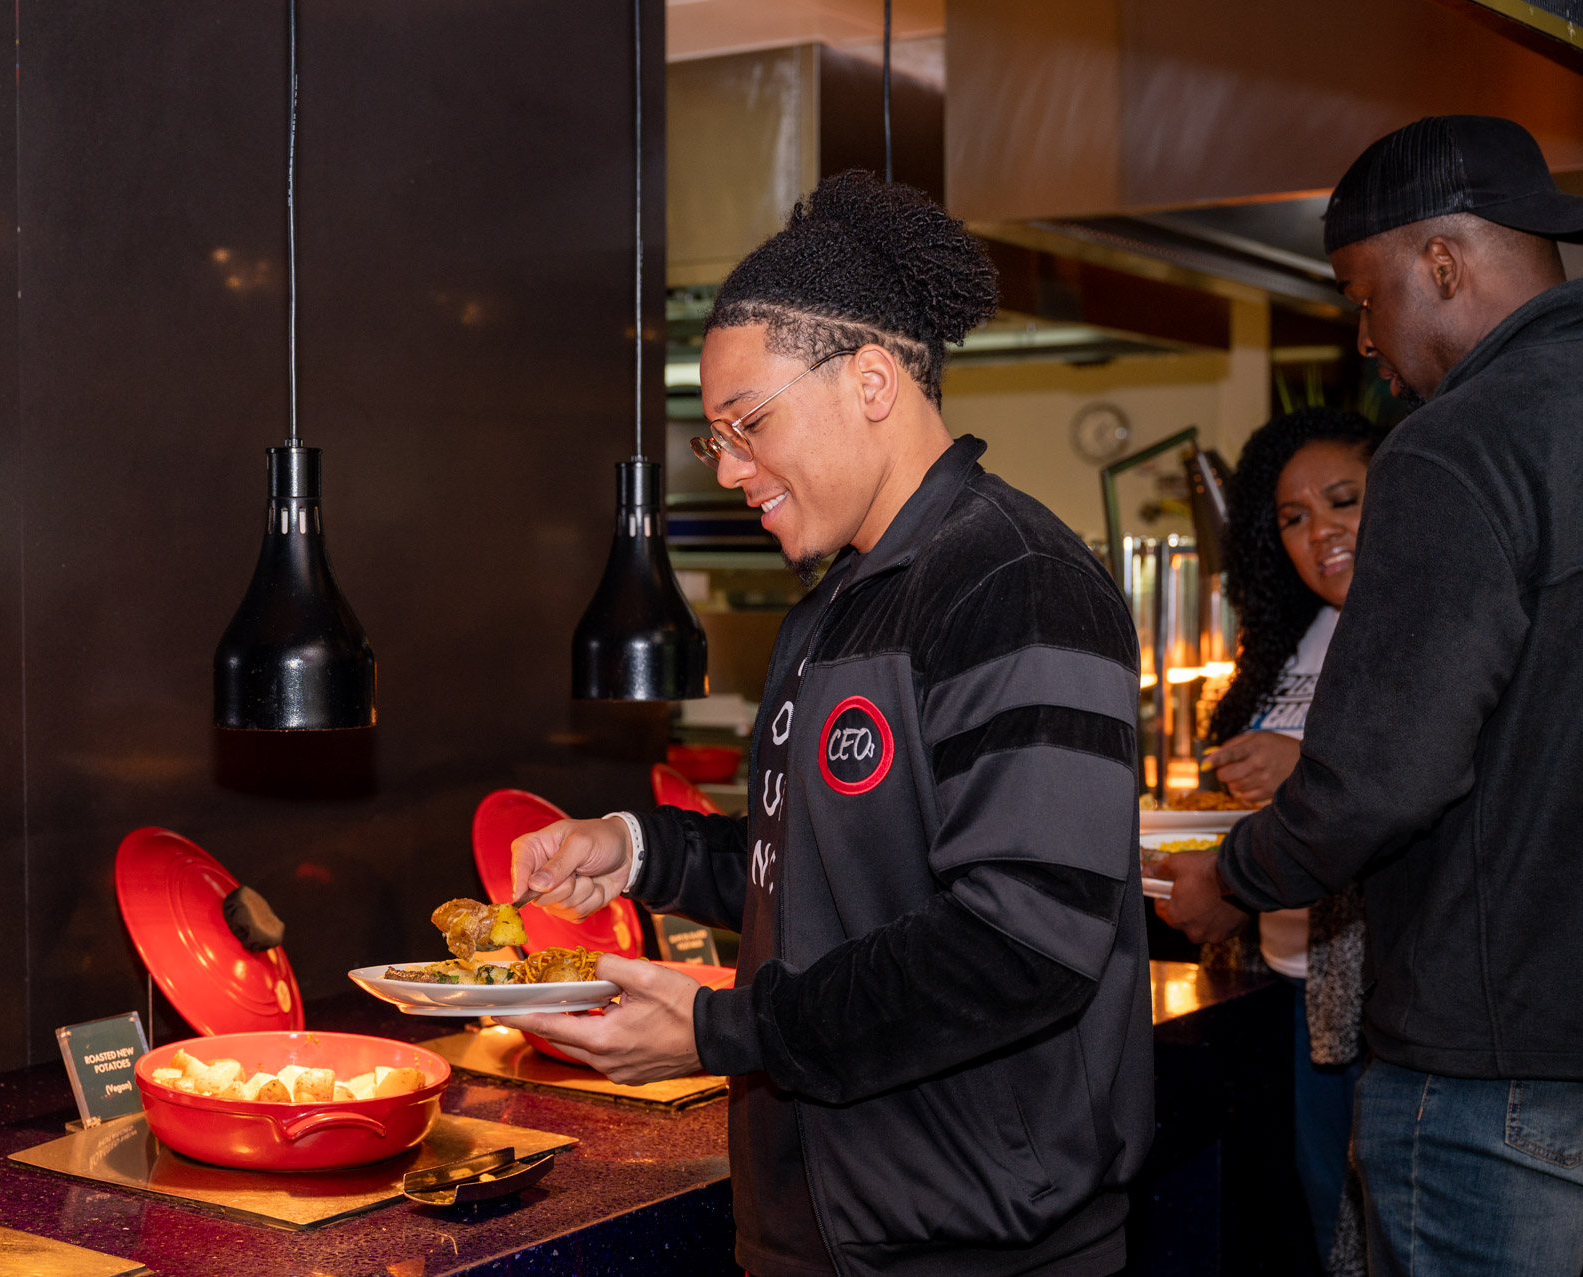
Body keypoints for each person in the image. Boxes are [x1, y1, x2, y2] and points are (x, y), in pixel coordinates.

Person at [502, 172, 1153, 1277]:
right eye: (715, 439)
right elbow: (821, 872)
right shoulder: (838, 601)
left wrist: (718, 1031)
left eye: (749, 424)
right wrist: (638, 849)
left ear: (870, 379)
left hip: (975, 1243)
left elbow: (1024, 940)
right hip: (821, 1227)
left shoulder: (1015, 580)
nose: (732, 469)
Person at [1160, 115, 1583, 1276]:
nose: (1363, 336)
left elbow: (1385, 772)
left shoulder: (1457, 445)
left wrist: (1230, 877)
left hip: (1492, 1077)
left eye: (1364, 294)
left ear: (1440, 263)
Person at [1183, 406, 1384, 1270]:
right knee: (1299, 1217)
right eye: (1294, 517)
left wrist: (1302, 764)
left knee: (1364, 1228)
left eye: (1344, 500)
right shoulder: (1291, 636)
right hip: (1279, 976)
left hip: (1371, 993)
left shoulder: (1410, 629)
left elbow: (1417, 786)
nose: (1319, 532)